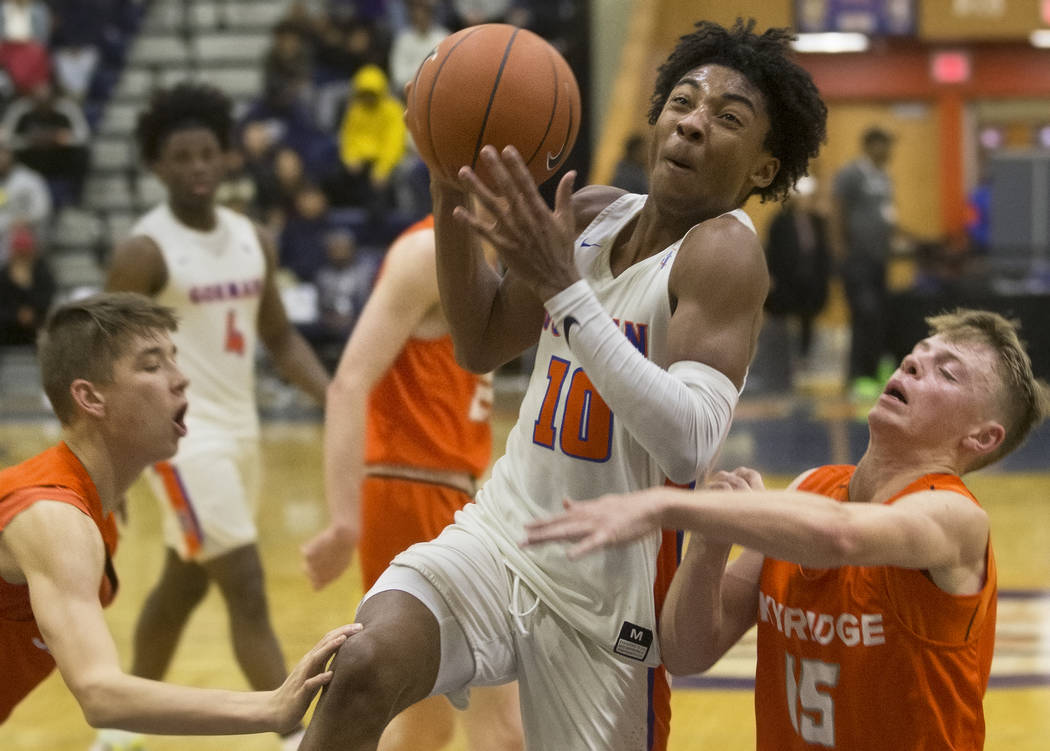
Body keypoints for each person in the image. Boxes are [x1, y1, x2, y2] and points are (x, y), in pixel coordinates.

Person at [300, 18, 827, 751]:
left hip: (609, 602)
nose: (694, 124)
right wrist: (447, 185)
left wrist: (563, 291)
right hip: (501, 536)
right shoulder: (588, 217)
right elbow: (481, 340)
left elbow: (690, 440)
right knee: (361, 665)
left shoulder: (725, 253)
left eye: (727, 118)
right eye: (682, 102)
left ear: (765, 168)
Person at [523, 308, 1050, 750]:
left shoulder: (956, 520)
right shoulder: (810, 489)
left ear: (981, 438)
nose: (915, 363)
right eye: (919, 352)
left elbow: (842, 536)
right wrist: (709, 546)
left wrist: (668, 506)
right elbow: (687, 651)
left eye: (947, 372)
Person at [0, 291, 359, 731]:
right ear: (90, 399)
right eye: (152, 366)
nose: (181, 378)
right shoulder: (55, 517)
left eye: (175, 359)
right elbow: (99, 694)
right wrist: (270, 707)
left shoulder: (88, 501)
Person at [102, 82, 331, 751]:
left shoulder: (253, 239)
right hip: (179, 443)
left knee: (182, 585)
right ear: (156, 165)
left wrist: (340, 394)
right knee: (246, 581)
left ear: (227, 157)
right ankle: (293, 735)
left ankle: (117, 727)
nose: (198, 166)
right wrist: (104, 469)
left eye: (208, 153)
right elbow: (99, 357)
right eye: (181, 156)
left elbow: (282, 339)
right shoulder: (144, 251)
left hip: (242, 434)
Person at [301, 214, 523, 750]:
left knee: (425, 728)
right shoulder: (428, 253)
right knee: (504, 726)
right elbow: (348, 383)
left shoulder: (483, 253)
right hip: (413, 494)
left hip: (450, 494)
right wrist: (344, 522)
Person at [831, 125, 898, 401]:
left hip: (879, 260)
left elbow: (886, 217)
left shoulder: (884, 177)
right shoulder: (851, 174)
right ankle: (858, 377)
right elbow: (837, 210)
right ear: (870, 145)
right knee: (864, 314)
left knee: (879, 318)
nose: (889, 151)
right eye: (884, 144)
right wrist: (840, 250)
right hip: (857, 259)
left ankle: (872, 372)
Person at [763, 174, 830, 361]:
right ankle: (779, 360)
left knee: (807, 319)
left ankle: (804, 357)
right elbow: (771, 248)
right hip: (786, 279)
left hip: (810, 280)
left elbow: (823, 250)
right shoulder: (780, 221)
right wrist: (770, 275)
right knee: (780, 320)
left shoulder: (817, 221)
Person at [0, 223, 54, 347]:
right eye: (19, 252)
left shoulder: (42, 273)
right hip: (8, 326)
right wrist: (16, 314)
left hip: (35, 324)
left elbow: (46, 299)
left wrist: (26, 285)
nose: (22, 256)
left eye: (25, 252)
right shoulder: (3, 274)